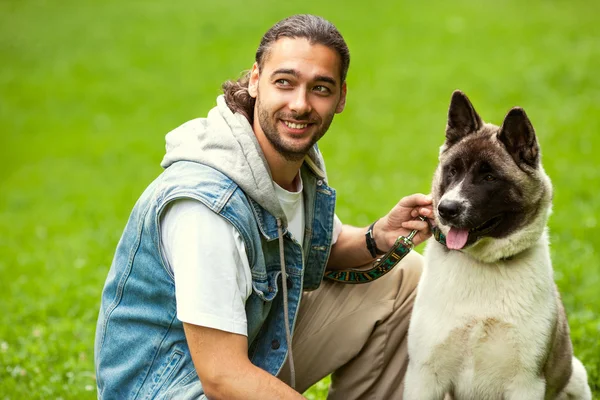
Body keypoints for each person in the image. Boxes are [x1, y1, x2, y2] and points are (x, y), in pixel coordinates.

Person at [94, 14, 433, 399]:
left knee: (403, 277)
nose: (300, 105)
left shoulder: (286, 166)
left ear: (341, 97)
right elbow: (222, 377)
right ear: (255, 80)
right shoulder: (208, 208)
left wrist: (378, 237)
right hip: (176, 389)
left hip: (246, 354)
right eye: (284, 83)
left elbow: (316, 248)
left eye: (320, 88)